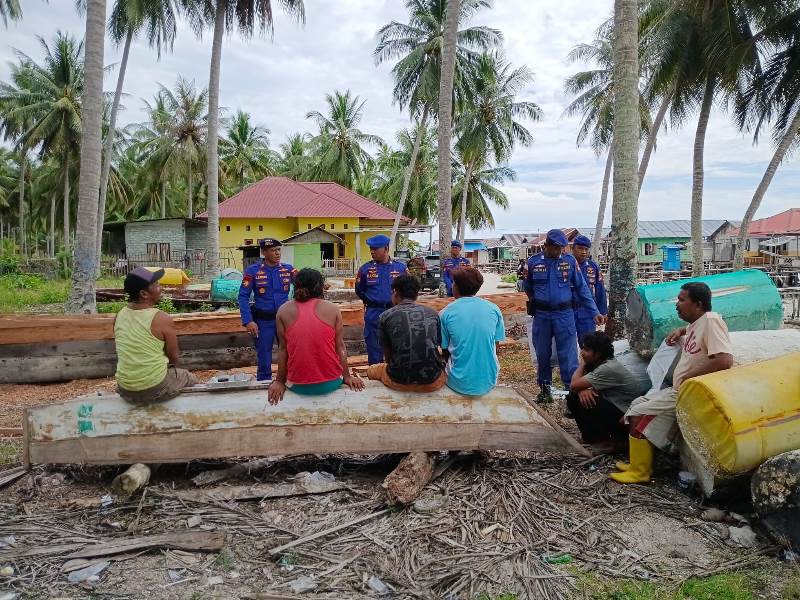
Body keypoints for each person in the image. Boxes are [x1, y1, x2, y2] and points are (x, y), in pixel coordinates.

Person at [610, 282, 733, 484]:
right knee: (637, 404)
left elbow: (724, 360)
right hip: (679, 388)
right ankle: (637, 464)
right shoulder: (698, 322)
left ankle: (640, 472)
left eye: (682, 300)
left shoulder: (711, 321)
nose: (677, 304)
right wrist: (680, 331)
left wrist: (688, 376)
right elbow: (695, 330)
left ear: (698, 304)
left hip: (688, 392)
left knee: (638, 413)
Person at [525, 229, 602, 404]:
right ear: (546, 245)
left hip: (564, 315)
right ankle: (545, 390)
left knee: (568, 354)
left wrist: (594, 312)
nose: (559, 251)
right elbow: (528, 287)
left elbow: (582, 288)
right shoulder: (533, 262)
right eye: (556, 248)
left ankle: (571, 394)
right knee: (543, 353)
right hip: (542, 316)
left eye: (562, 248)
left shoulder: (569, 261)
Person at [268, 269, 364, 404]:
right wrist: (347, 377)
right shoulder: (333, 309)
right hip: (332, 382)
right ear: (320, 287)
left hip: (296, 385)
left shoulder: (283, 311)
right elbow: (340, 347)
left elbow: (283, 349)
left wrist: (279, 381)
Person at [114, 267, 198, 404]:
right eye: (157, 285)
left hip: (125, 389)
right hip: (155, 387)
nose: (161, 288)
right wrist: (171, 370)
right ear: (144, 294)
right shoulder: (161, 318)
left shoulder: (120, 315)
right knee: (190, 377)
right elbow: (173, 357)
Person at [568, 332, 651, 454]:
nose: (582, 352)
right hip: (618, 410)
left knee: (576, 397)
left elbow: (573, 385)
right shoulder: (599, 363)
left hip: (626, 418)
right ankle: (594, 438)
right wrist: (582, 389)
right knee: (577, 396)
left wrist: (583, 365)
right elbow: (578, 384)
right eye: (583, 348)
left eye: (587, 350)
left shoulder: (608, 368)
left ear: (598, 354)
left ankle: (606, 441)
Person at [367, 274, 446, 392]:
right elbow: (438, 345)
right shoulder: (432, 314)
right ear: (416, 294)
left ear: (395, 292)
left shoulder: (385, 316)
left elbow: (387, 354)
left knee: (371, 370)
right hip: (433, 380)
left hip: (398, 381)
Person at [440, 267, 506, 396]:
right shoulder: (493, 309)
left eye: (453, 283)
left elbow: (445, 350)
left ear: (456, 287)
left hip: (457, 382)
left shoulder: (445, 313)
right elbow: (496, 345)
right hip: (490, 379)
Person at [238, 238, 295, 381]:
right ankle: (263, 383)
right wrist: (248, 321)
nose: (277, 253)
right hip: (263, 321)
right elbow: (243, 296)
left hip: (285, 321)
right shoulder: (252, 271)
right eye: (273, 250)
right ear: (264, 252)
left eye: (278, 250)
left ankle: (290, 380)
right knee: (264, 355)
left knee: (290, 352)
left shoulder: (288, 269)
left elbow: (304, 284)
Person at [355, 234, 407, 364]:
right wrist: (372, 300)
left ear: (386, 249)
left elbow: (408, 289)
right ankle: (375, 373)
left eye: (375, 248)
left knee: (396, 346)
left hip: (394, 312)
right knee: (374, 348)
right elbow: (359, 290)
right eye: (371, 249)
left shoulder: (400, 268)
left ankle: (395, 373)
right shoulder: (365, 269)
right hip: (374, 313)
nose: (372, 251)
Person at [571, 235, 608, 341]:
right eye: (580, 248)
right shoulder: (566, 265)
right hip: (568, 310)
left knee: (587, 343)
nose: (583, 252)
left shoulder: (593, 267)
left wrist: (603, 311)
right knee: (568, 343)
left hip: (587, 311)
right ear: (573, 248)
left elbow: (600, 290)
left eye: (586, 249)